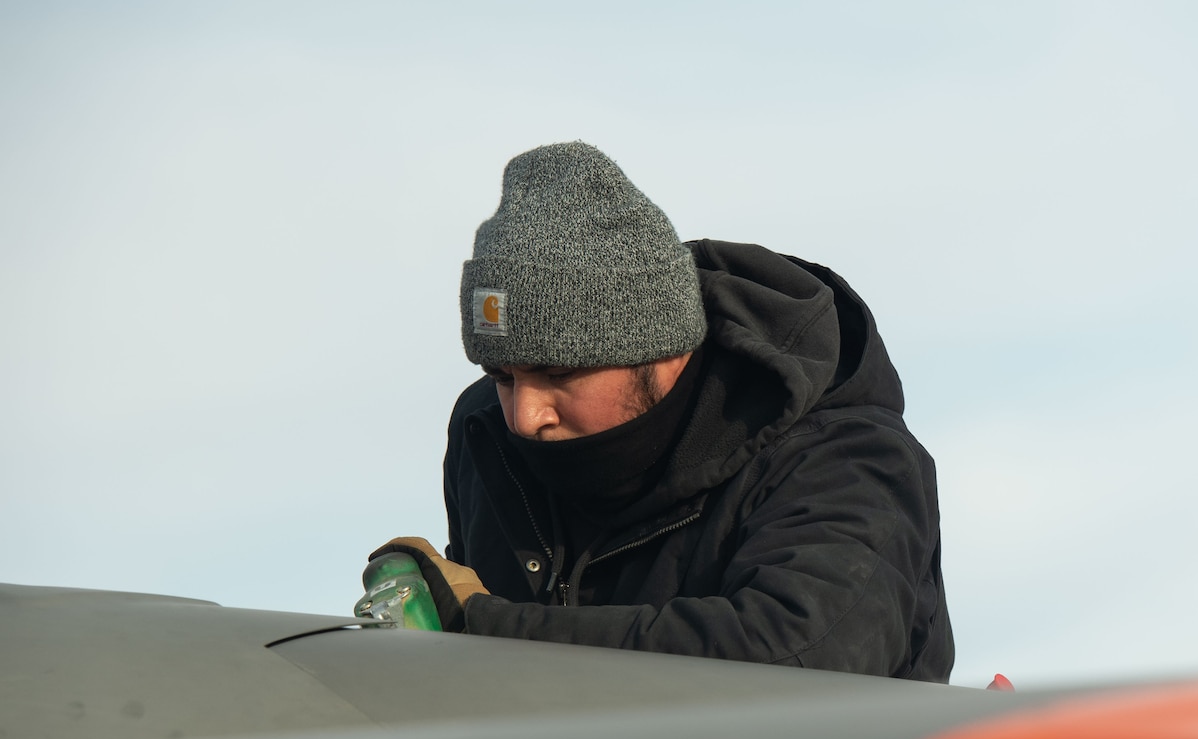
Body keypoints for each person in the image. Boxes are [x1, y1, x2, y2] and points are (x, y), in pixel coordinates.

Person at [373, 141, 953, 681]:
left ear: (663, 348)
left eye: (558, 374)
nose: (527, 416)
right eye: (502, 376)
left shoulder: (844, 458)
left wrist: (479, 628)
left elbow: (803, 659)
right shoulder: (487, 435)